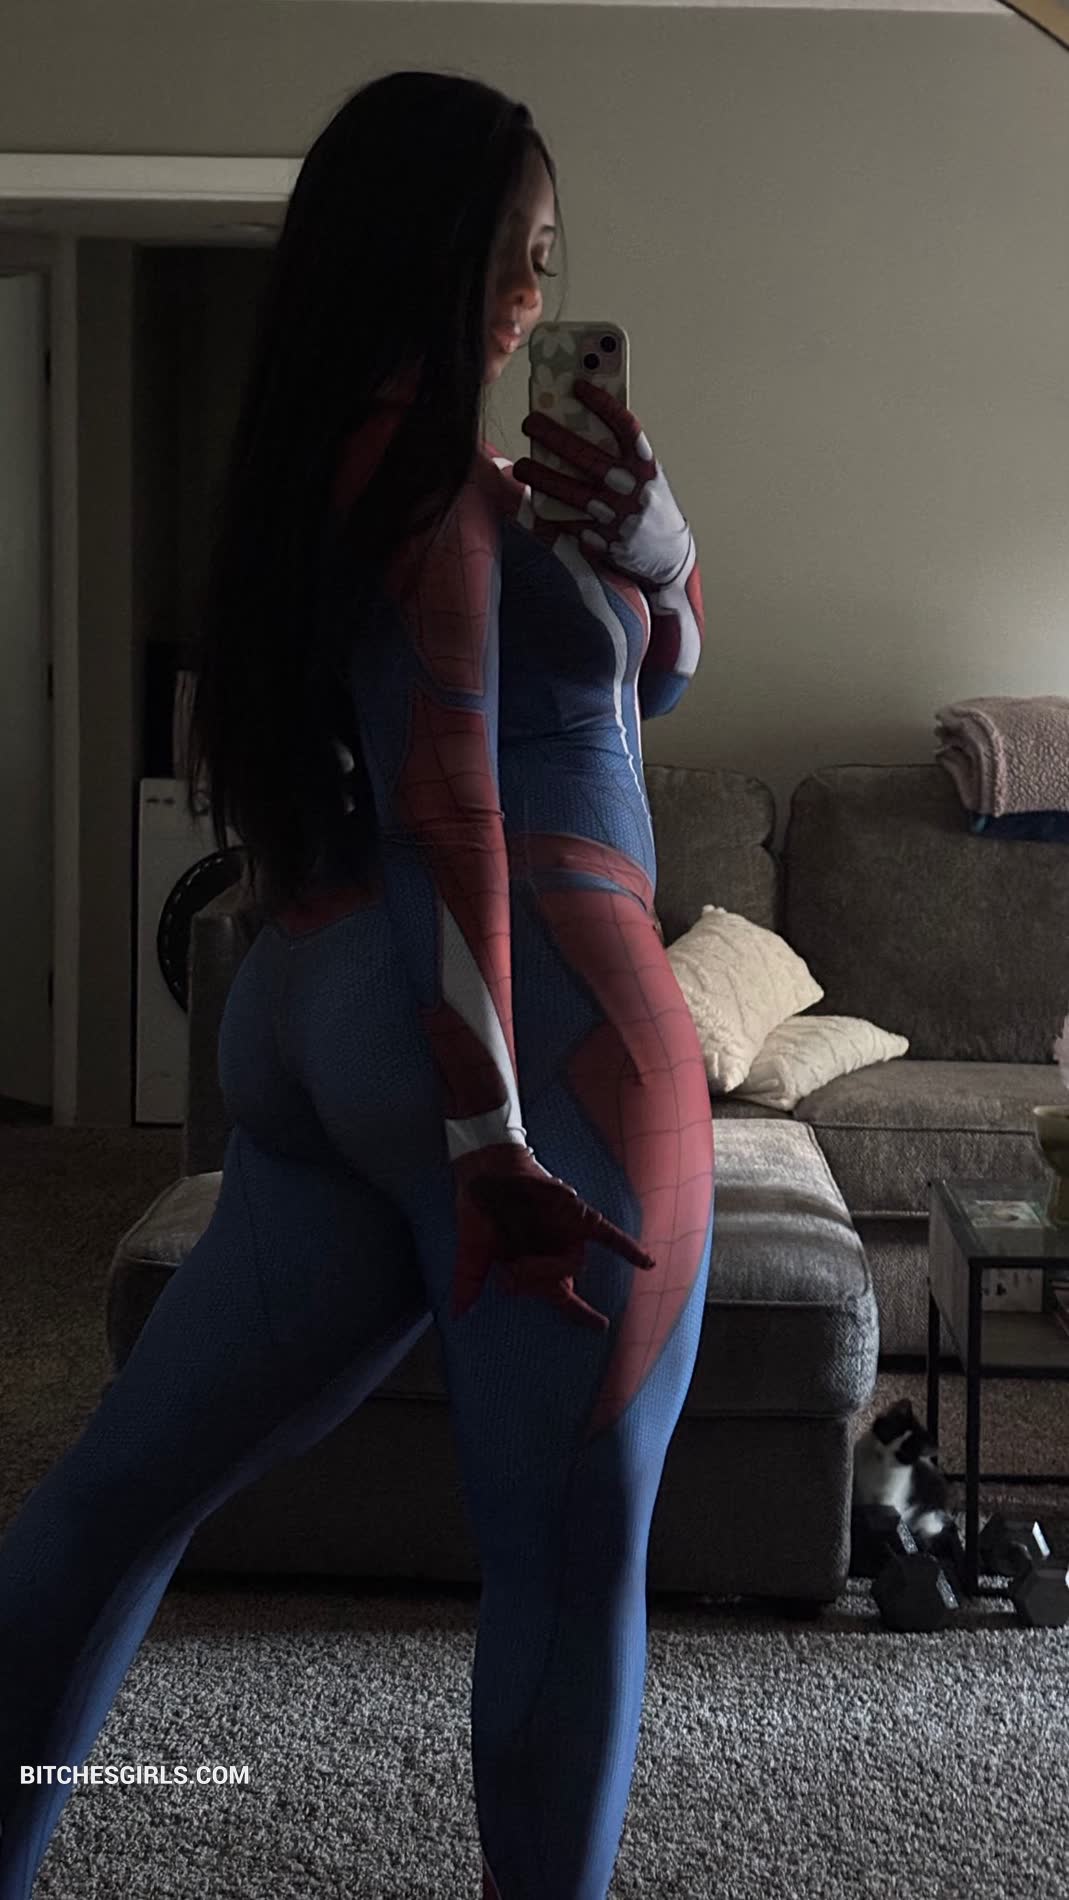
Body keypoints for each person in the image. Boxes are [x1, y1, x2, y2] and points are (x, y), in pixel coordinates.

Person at [0, 69, 714, 1900]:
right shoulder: (427, 487)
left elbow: (646, 680)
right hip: (531, 1021)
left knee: (111, 1502)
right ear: (414, 251)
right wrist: (489, 1139)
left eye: (544, 258)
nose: (528, 295)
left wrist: (653, 549)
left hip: (317, 1014)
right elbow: (456, 799)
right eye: (500, 252)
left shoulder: (365, 473)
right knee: (566, 1571)